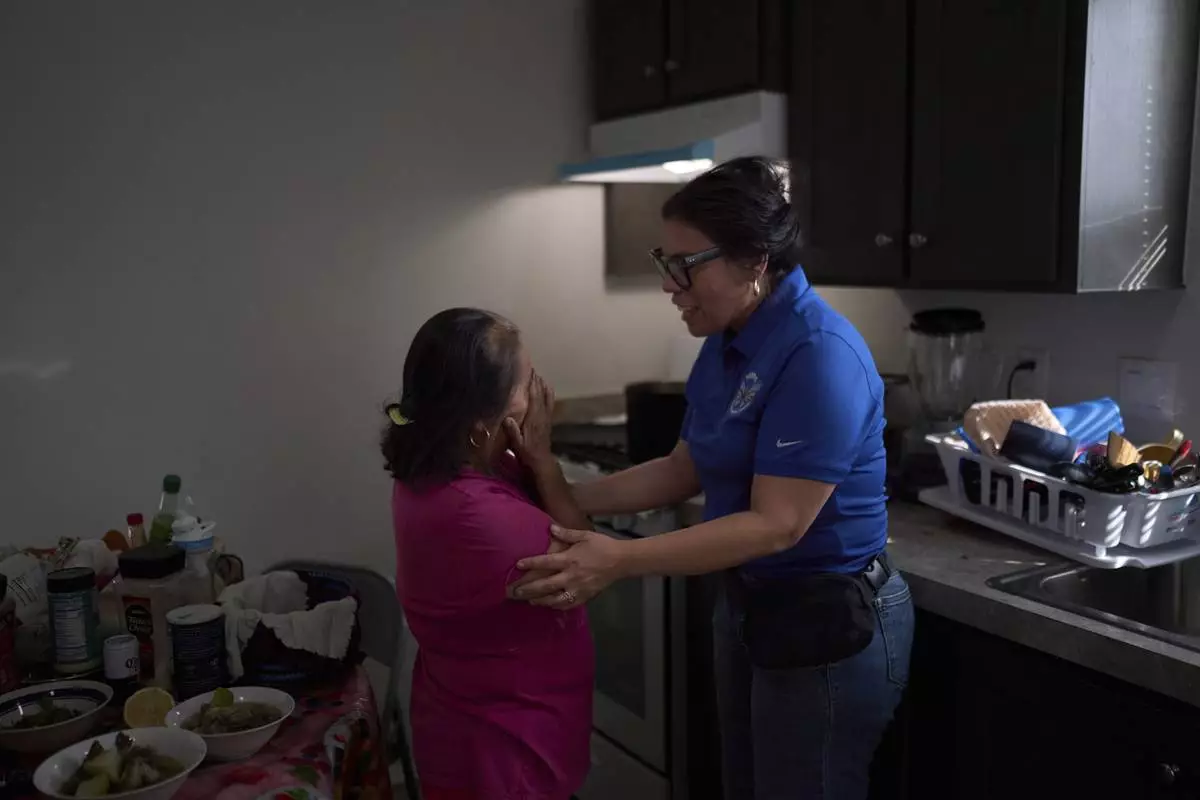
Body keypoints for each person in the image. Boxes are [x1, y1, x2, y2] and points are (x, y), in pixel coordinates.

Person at [510, 157, 915, 800]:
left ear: (754, 260)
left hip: (829, 620)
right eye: (663, 261)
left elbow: (778, 523)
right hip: (753, 605)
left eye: (686, 265)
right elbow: (685, 466)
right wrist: (557, 494)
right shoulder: (728, 340)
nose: (670, 284)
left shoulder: (819, 355)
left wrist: (621, 557)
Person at [384, 308, 593, 800]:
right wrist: (542, 458)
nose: (538, 395)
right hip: (508, 756)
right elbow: (587, 555)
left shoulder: (431, 471)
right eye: (526, 385)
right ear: (482, 425)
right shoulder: (479, 518)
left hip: (467, 732)